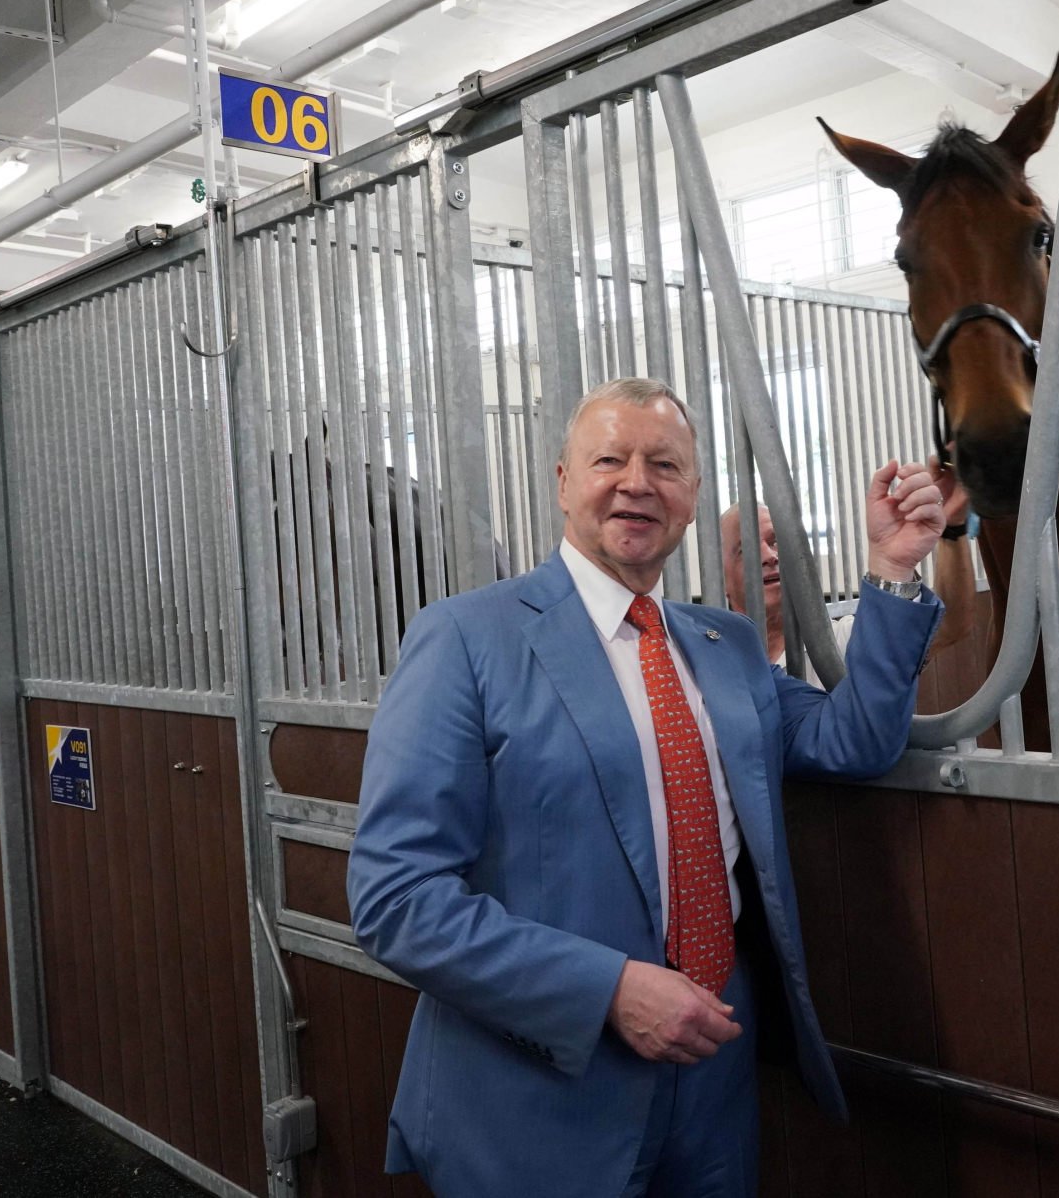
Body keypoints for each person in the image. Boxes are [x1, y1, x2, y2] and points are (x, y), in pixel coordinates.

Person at [347, 376, 951, 1198]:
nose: (637, 481)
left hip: (714, 1071)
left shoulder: (726, 644)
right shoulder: (465, 639)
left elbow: (854, 742)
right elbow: (396, 898)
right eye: (609, 459)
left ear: (693, 499)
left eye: (665, 465)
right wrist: (607, 991)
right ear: (563, 482)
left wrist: (892, 571)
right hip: (543, 1089)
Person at [719, 479, 975, 683]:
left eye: (775, 541)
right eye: (747, 549)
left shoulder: (839, 642)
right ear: (723, 581)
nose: (770, 556)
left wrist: (952, 525)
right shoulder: (709, 664)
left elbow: (948, 625)